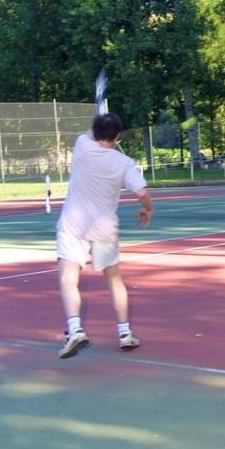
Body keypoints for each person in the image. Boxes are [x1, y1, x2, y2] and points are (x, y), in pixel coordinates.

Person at [56, 113, 153, 359]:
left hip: (73, 224)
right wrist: (148, 209)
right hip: (104, 228)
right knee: (114, 280)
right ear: (118, 136)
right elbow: (141, 191)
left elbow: (90, 133)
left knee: (69, 277)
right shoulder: (124, 163)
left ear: (94, 131)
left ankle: (76, 329)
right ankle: (124, 332)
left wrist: (97, 127)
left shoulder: (82, 144)